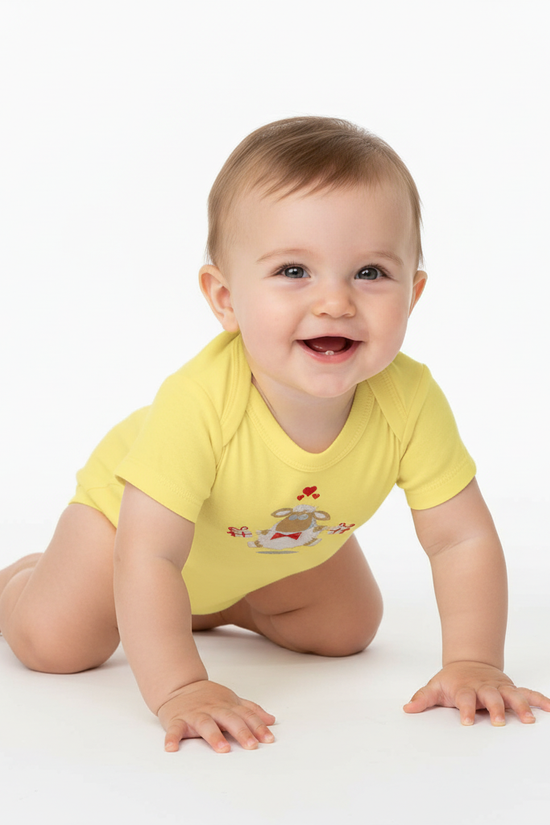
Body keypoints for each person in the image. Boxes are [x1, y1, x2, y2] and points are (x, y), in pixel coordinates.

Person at [1, 117, 548, 754]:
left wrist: (474, 660)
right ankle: (19, 580)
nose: (336, 302)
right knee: (57, 646)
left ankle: (213, 605)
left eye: (370, 273)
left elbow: (461, 538)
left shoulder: (411, 399)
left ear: (414, 294)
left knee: (347, 628)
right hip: (127, 534)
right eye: (294, 270)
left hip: (261, 543)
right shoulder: (200, 401)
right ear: (225, 298)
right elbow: (148, 555)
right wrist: (181, 686)